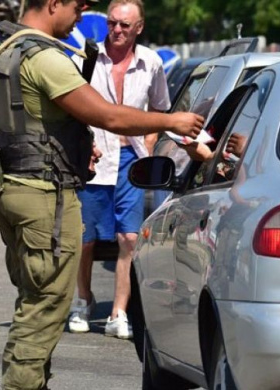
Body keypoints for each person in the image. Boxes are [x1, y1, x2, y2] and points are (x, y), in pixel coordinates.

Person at [0, 0, 203, 388]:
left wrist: (72, 145)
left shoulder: (1, 48)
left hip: (13, 185)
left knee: (33, 298)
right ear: (53, 4)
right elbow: (109, 116)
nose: (81, 18)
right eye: (77, 8)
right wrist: (171, 120)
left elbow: (26, 121)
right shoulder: (45, 58)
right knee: (47, 302)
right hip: (41, 194)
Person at [68, 0, 170, 339]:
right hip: (94, 158)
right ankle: (82, 299)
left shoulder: (151, 62)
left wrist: (150, 145)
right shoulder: (85, 58)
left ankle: (118, 311)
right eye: (113, 23)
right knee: (84, 239)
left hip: (132, 159)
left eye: (125, 25)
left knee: (129, 238)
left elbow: (160, 109)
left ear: (139, 27)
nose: (117, 30)